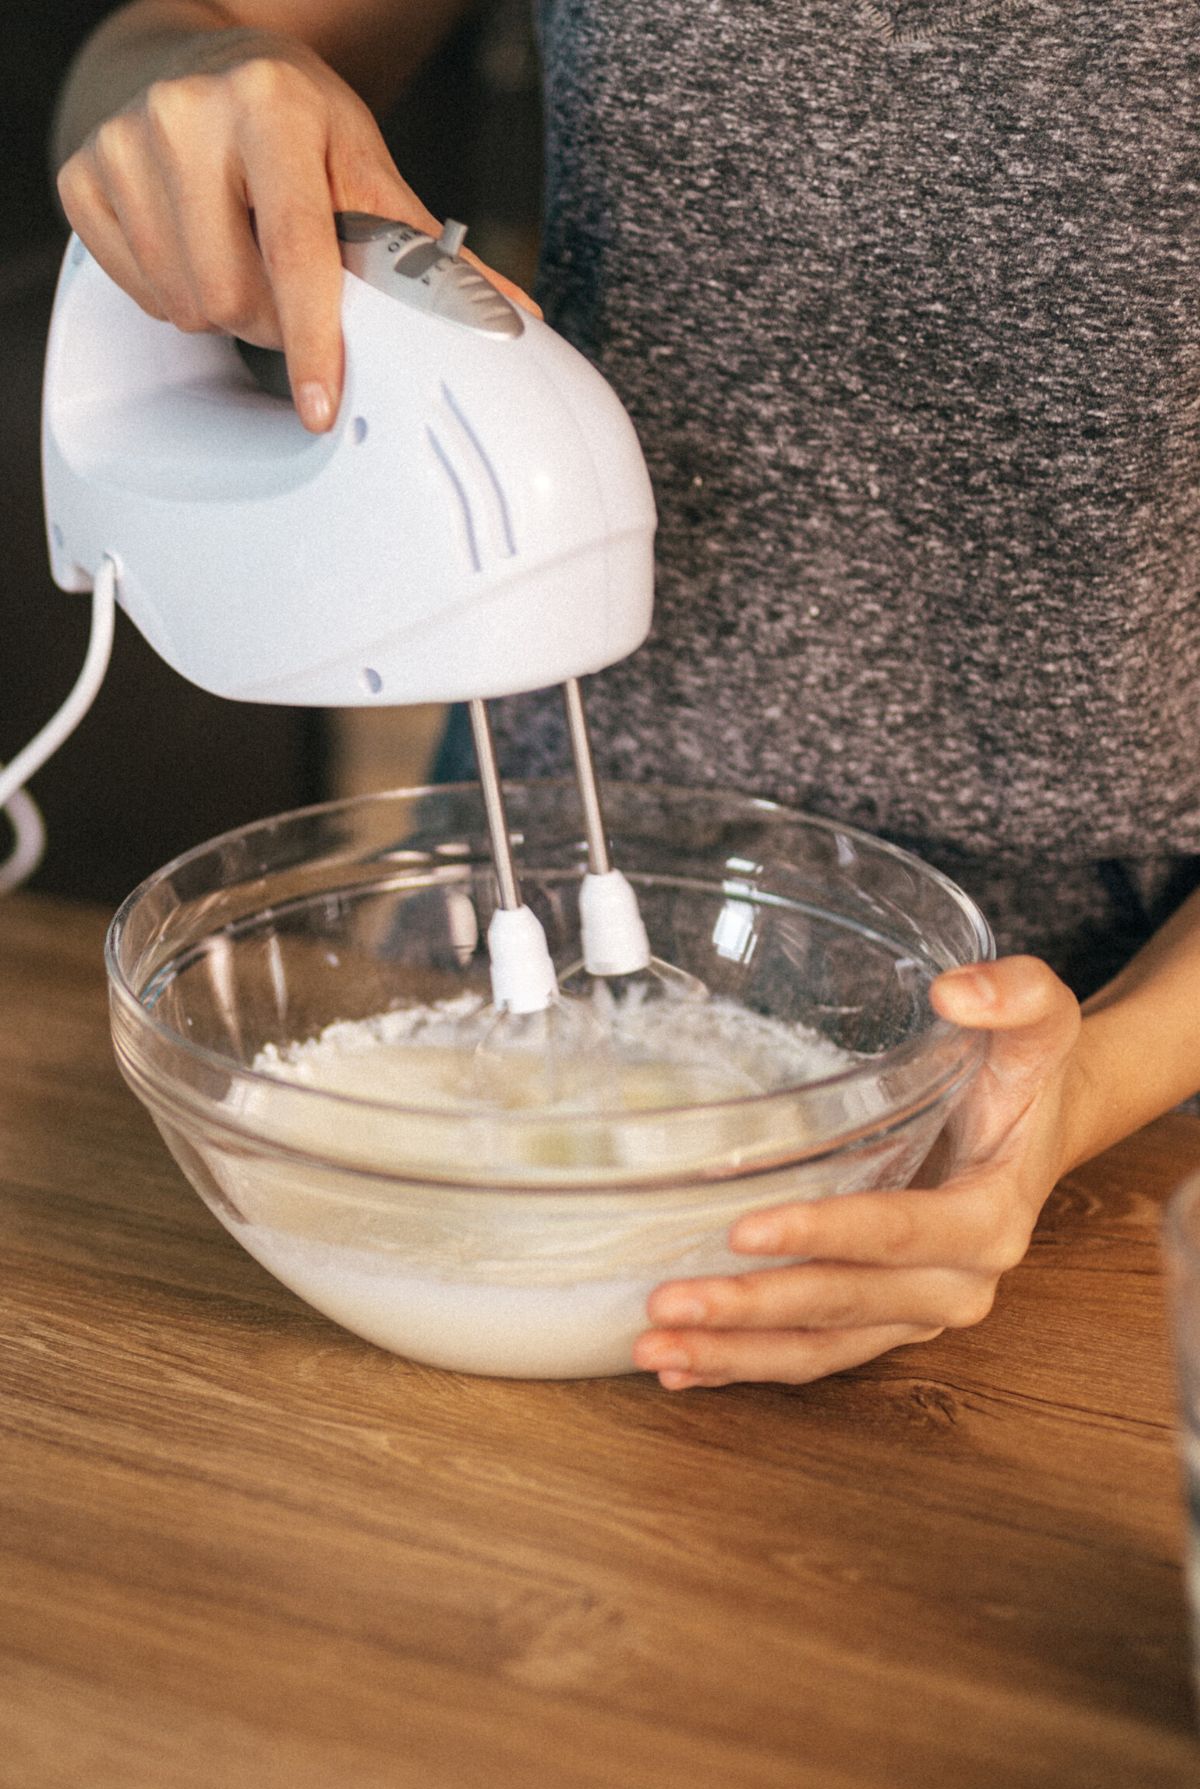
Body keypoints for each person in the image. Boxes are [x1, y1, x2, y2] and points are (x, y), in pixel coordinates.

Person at [54, 1, 1200, 1389]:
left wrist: (1078, 1089)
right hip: (480, 919)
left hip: (1119, 1099)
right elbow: (172, 48)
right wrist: (194, 90)